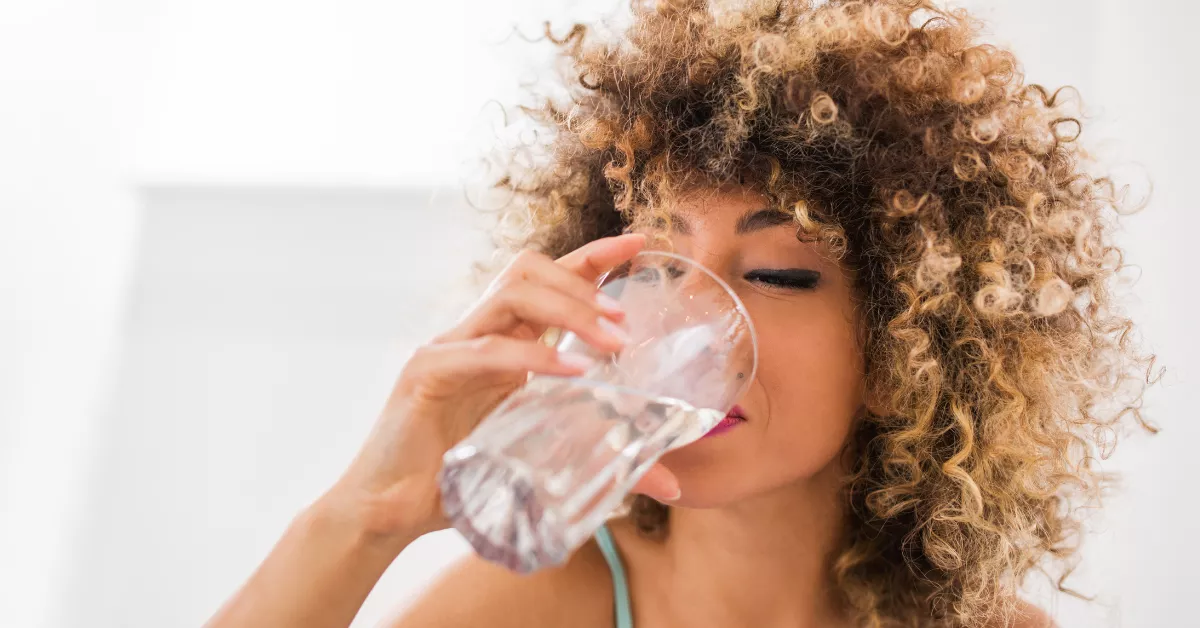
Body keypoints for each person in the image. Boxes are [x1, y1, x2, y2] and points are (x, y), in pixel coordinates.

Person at [206, 1, 1156, 626]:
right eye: (656, 261)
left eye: (780, 274)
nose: (686, 324)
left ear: (907, 346)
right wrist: (361, 519)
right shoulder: (541, 603)